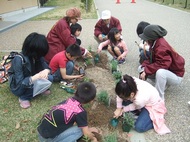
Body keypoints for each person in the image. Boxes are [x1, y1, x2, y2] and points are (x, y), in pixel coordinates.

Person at [138, 25, 185, 100]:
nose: (145, 40)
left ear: (151, 38)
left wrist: (147, 70)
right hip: (168, 71)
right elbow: (150, 59)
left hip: (176, 75)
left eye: (146, 38)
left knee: (160, 73)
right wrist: (144, 69)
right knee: (141, 68)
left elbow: (163, 64)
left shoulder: (161, 47)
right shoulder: (154, 43)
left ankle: (159, 98)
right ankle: (163, 84)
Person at [8, 32, 53, 109]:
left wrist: (46, 71)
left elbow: (47, 68)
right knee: (32, 85)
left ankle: (38, 89)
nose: (41, 55)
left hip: (32, 79)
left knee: (50, 78)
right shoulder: (18, 59)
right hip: (18, 86)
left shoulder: (37, 56)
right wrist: (35, 77)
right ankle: (24, 98)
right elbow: (20, 84)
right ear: (34, 49)